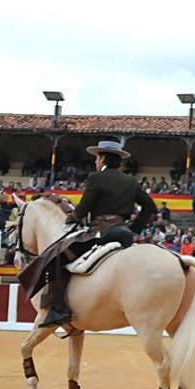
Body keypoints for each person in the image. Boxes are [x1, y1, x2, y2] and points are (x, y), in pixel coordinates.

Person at [26, 140, 155, 328]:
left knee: (55, 258)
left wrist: (72, 219)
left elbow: (83, 208)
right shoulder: (130, 181)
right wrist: (133, 229)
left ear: (102, 159)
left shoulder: (97, 179)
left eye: (97, 158)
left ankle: (59, 310)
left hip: (100, 233)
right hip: (124, 233)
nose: (95, 161)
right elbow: (149, 207)